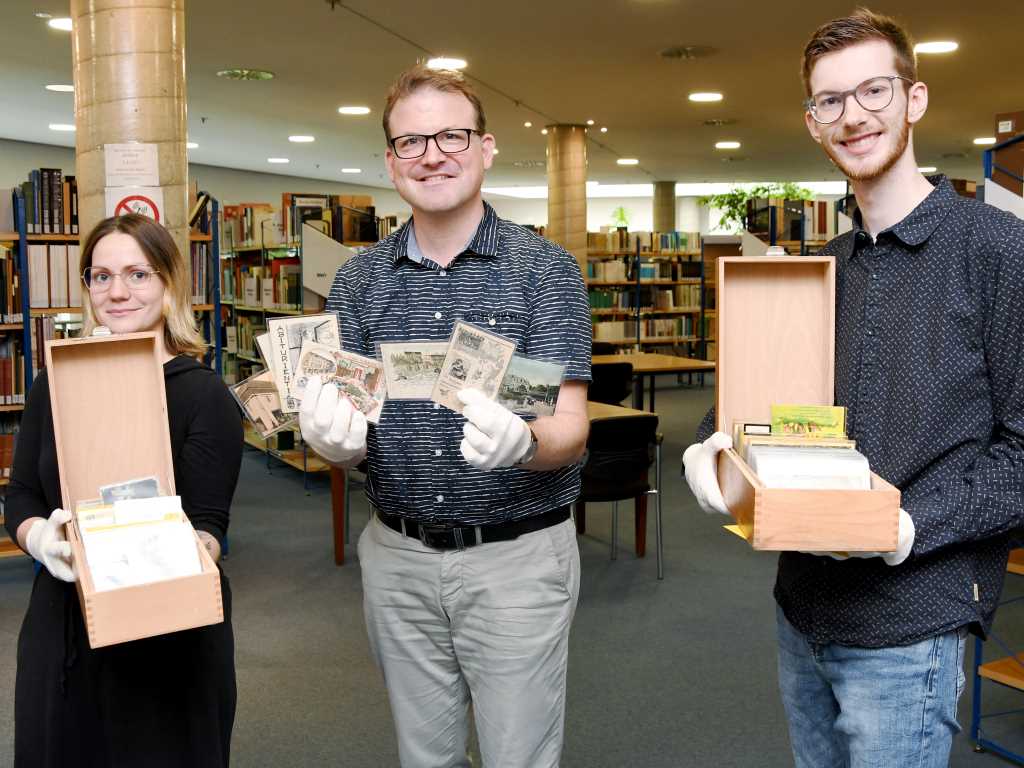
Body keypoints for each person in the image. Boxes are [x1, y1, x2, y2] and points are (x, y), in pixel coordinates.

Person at [684, 8, 1024, 767]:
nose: (854, 115)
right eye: (830, 101)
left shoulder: (998, 251)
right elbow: (761, 410)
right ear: (813, 122)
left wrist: (906, 525)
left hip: (913, 621)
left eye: (873, 91)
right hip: (800, 612)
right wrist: (716, 448)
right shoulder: (818, 269)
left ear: (915, 99)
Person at [300, 64, 591, 768]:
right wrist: (329, 442)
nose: (432, 155)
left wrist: (525, 441)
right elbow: (352, 420)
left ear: (486, 147)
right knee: (424, 758)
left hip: (515, 564)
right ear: (391, 162)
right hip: (396, 558)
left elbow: (568, 427)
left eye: (451, 136)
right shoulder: (358, 279)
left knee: (516, 757)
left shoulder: (542, 271)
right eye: (411, 142)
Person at [6, 213, 243, 767]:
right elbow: (19, 496)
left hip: (169, 630)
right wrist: (42, 540)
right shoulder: (55, 383)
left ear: (168, 283)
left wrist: (168, 554)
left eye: (138, 274)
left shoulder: (204, 396)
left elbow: (209, 527)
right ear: (87, 285)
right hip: (64, 627)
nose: (117, 292)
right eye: (101, 275)